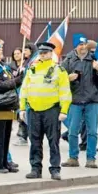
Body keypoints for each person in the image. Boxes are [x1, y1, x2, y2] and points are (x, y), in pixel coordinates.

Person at [19, 42, 71, 180]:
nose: (42, 55)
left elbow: (65, 92)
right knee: (34, 141)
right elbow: (24, 89)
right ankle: (35, 169)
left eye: (45, 53)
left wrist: (64, 111)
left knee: (53, 141)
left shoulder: (59, 70)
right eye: (41, 53)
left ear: (51, 54)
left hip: (52, 110)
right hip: (34, 110)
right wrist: (22, 108)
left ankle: (55, 169)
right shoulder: (32, 69)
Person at [61, 34, 98, 168]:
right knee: (73, 131)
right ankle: (73, 158)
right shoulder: (68, 60)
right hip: (75, 101)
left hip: (92, 100)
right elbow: (59, 77)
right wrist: (67, 78)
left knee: (92, 131)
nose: (83, 47)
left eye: (84, 44)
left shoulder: (94, 58)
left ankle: (91, 159)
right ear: (75, 46)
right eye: (80, 44)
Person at [0, 42, 22, 173]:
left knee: (6, 136)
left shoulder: (1, 66)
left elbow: (8, 81)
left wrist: (18, 77)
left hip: (7, 106)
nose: (1, 52)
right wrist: (17, 81)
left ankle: (5, 162)